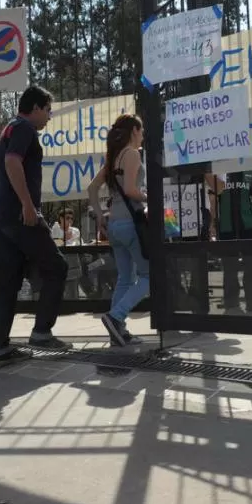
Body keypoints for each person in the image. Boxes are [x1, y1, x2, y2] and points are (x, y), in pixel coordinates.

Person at [0, 85, 70, 362]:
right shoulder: (24, 128)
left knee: (9, 281)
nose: (49, 116)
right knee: (57, 266)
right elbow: (12, 162)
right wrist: (27, 204)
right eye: (47, 110)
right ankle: (42, 333)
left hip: (2, 216)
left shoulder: (12, 127)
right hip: (19, 216)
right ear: (34, 108)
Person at [87, 114, 147, 346]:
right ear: (134, 130)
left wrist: (100, 216)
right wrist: (149, 196)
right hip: (132, 223)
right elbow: (132, 190)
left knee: (124, 278)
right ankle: (115, 316)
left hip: (114, 225)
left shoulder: (112, 158)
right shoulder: (132, 154)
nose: (142, 135)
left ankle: (117, 332)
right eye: (141, 131)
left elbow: (92, 188)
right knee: (148, 276)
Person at [214, 170, 252, 314]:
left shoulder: (251, 172)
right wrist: (213, 225)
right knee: (229, 268)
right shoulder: (220, 172)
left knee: (251, 266)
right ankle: (231, 303)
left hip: (248, 226)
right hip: (226, 227)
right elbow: (213, 199)